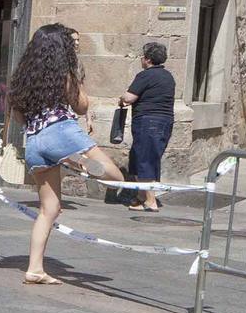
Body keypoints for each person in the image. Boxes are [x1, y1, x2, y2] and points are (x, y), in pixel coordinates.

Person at [9, 23, 125, 285]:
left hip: (34, 141)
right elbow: (82, 106)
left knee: (49, 209)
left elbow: (17, 115)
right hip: (61, 130)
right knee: (115, 176)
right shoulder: (65, 73)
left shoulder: (23, 77)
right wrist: (78, 80)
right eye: (72, 44)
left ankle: (35, 269)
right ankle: (81, 162)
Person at [119, 42, 176, 213]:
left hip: (148, 121)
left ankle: (151, 201)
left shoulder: (145, 75)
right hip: (164, 122)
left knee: (144, 160)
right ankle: (141, 197)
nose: (141, 59)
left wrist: (121, 98)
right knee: (144, 158)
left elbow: (129, 97)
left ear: (148, 59)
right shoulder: (168, 76)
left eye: (143, 56)